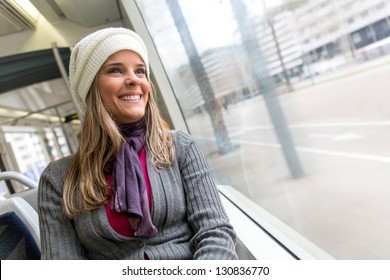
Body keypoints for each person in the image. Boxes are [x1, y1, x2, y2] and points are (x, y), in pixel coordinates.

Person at [38, 27, 238, 260]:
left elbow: (215, 232)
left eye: (140, 71)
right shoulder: (58, 179)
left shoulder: (181, 148)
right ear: (91, 88)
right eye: (115, 70)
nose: (134, 79)